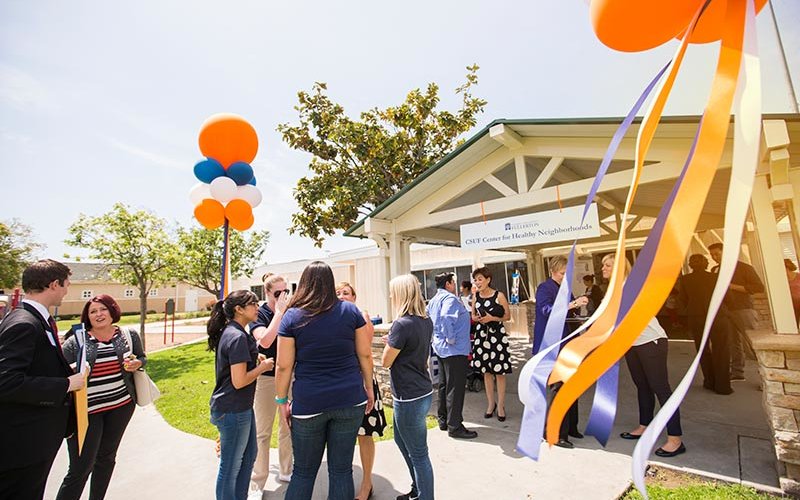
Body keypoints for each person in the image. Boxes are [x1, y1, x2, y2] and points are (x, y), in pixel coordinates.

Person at [275, 262, 374, 500]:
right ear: (330, 283)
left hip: (309, 403)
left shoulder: (292, 316)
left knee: (304, 473)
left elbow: (283, 365)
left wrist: (281, 401)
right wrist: (369, 388)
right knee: (341, 471)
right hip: (350, 400)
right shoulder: (350, 312)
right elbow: (365, 354)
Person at [0, 259, 86, 500]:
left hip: (34, 442)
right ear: (54, 284)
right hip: (23, 445)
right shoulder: (24, 324)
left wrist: (66, 370)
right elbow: (6, 382)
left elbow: (33, 365)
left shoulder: (35, 319)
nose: (67, 291)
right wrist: (67, 384)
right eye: (67, 285)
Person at [56, 294, 146, 500]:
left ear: (112, 310)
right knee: (81, 467)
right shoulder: (75, 341)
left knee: (106, 458)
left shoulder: (128, 335)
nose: (98, 314)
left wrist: (137, 363)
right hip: (87, 412)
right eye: (93, 312)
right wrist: (74, 371)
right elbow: (59, 375)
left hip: (121, 406)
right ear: (87, 317)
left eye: (103, 309)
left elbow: (142, 357)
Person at [606, 254, 686, 457]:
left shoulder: (631, 286)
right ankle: (644, 426)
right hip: (633, 344)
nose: (602, 269)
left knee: (661, 389)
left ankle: (675, 439)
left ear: (618, 268)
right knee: (642, 386)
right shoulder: (616, 289)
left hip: (651, 342)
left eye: (607, 265)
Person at [208, 290, 274, 500]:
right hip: (232, 409)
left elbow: (236, 365)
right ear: (238, 309)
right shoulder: (236, 336)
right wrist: (263, 368)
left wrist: (254, 357)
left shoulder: (236, 331)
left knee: (249, 456)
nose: (257, 307)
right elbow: (239, 381)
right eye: (253, 304)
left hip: (240, 407)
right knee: (230, 466)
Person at [382, 275, 435, 500]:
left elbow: (386, 361)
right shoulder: (425, 320)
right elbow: (411, 349)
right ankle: (418, 489)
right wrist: (393, 342)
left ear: (402, 294)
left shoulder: (401, 324)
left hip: (408, 396)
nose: (392, 295)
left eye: (394, 291)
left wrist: (392, 342)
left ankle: (425, 496)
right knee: (401, 441)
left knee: (419, 453)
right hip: (421, 391)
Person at [335, 282, 387, 500]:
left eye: (346, 293)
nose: (342, 296)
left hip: (361, 380)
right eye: (337, 293)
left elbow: (363, 349)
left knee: (364, 433)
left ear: (354, 297)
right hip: (339, 382)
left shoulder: (361, 315)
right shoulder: (331, 318)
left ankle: (367, 484)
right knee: (341, 437)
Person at [533, 255, 588, 448]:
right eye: (563, 273)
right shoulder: (544, 288)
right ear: (553, 271)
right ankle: (554, 432)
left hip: (567, 343)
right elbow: (546, 311)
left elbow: (569, 313)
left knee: (570, 386)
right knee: (559, 388)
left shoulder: (564, 289)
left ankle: (571, 427)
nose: (566, 276)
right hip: (552, 345)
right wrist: (573, 304)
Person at [249, 273, 293, 497]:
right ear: (267, 293)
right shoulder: (261, 314)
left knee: (287, 427)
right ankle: (257, 482)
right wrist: (279, 313)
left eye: (286, 292)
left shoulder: (290, 310)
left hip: (289, 376)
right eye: (278, 293)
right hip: (266, 379)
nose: (283, 297)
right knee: (262, 431)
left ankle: (286, 469)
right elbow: (264, 340)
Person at [427, 272, 477, 439]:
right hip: (454, 349)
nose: (455, 286)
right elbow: (446, 318)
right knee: (455, 387)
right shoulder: (450, 299)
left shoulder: (434, 300)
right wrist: (451, 337)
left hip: (441, 349)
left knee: (444, 385)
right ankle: (455, 426)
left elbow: (429, 318)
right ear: (448, 284)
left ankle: (444, 420)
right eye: (453, 282)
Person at [675, 254, 732, 395]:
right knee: (722, 350)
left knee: (702, 349)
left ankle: (709, 381)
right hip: (718, 315)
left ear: (690, 265)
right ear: (706, 263)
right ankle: (723, 386)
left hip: (696, 317)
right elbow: (728, 296)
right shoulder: (715, 277)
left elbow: (681, 300)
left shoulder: (685, 280)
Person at [708, 243, 764, 382]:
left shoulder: (744, 268)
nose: (715, 258)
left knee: (752, 343)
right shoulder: (715, 270)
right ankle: (737, 372)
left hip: (743, 309)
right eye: (712, 255)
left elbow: (758, 287)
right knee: (733, 343)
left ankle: (765, 377)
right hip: (725, 311)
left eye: (717, 254)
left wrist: (732, 287)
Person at [470, 267, 512, 422]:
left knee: (499, 372)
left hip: (497, 337)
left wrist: (492, 318)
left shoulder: (498, 295)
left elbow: (507, 316)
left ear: (488, 280)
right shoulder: (475, 296)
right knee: (486, 372)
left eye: (480, 279)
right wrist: (478, 319)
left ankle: (501, 405)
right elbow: (473, 316)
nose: (477, 282)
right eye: (476, 279)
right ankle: (490, 404)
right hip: (482, 337)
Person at [786, 259, 800, 326]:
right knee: (794, 324)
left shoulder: (798, 276)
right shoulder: (783, 279)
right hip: (791, 305)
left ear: (787, 267)